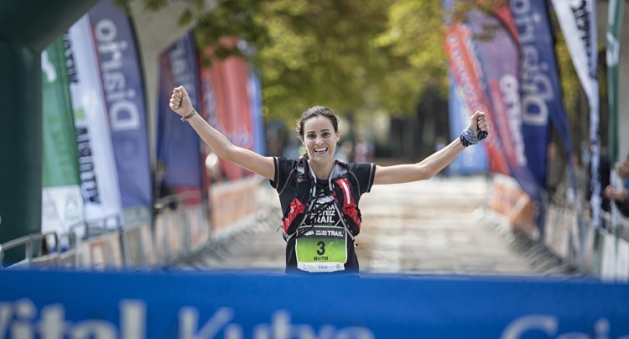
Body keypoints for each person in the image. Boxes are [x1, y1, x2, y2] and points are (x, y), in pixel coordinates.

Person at [169, 86, 489, 274]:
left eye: (325, 134)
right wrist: (190, 114)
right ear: (303, 140)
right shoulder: (285, 172)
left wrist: (466, 139)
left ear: (337, 136)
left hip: (346, 286)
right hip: (298, 288)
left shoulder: (355, 175)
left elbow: (423, 170)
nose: (319, 142)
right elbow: (227, 151)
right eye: (311, 136)